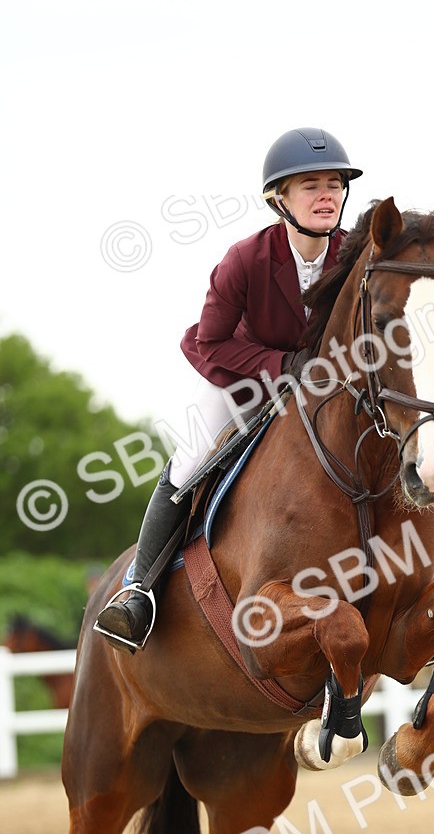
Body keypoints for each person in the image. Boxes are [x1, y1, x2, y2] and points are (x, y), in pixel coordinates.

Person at [94, 127, 362, 653]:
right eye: (310, 186)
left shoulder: (355, 256)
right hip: (244, 377)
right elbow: (209, 342)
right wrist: (284, 364)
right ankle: (138, 592)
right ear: (279, 199)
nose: (326, 195)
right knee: (190, 459)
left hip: (327, 386)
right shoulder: (245, 259)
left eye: (333, 184)